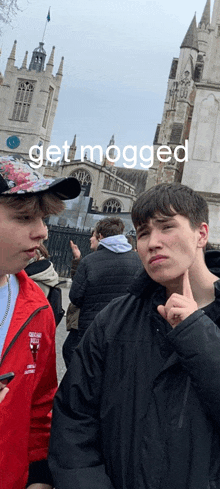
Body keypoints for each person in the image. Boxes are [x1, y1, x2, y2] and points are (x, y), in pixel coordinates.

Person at [49, 182, 220, 489]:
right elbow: (74, 419)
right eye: (142, 233)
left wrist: (197, 333)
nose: (153, 242)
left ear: (201, 234)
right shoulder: (113, 320)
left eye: (167, 227)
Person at [0, 154, 80, 489]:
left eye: (43, 218)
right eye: (24, 217)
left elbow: (39, 407)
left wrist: (39, 477)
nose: (42, 231)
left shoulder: (39, 308)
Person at [64, 216, 142, 364]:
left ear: (100, 236)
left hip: (92, 326)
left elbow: (76, 297)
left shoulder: (89, 261)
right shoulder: (138, 261)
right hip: (125, 326)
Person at [63, 230, 99, 367]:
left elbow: (77, 293)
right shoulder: (91, 260)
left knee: (71, 350)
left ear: (101, 237)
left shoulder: (96, 260)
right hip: (85, 316)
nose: (90, 239)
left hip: (87, 317)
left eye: (93, 236)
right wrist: (78, 260)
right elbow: (80, 282)